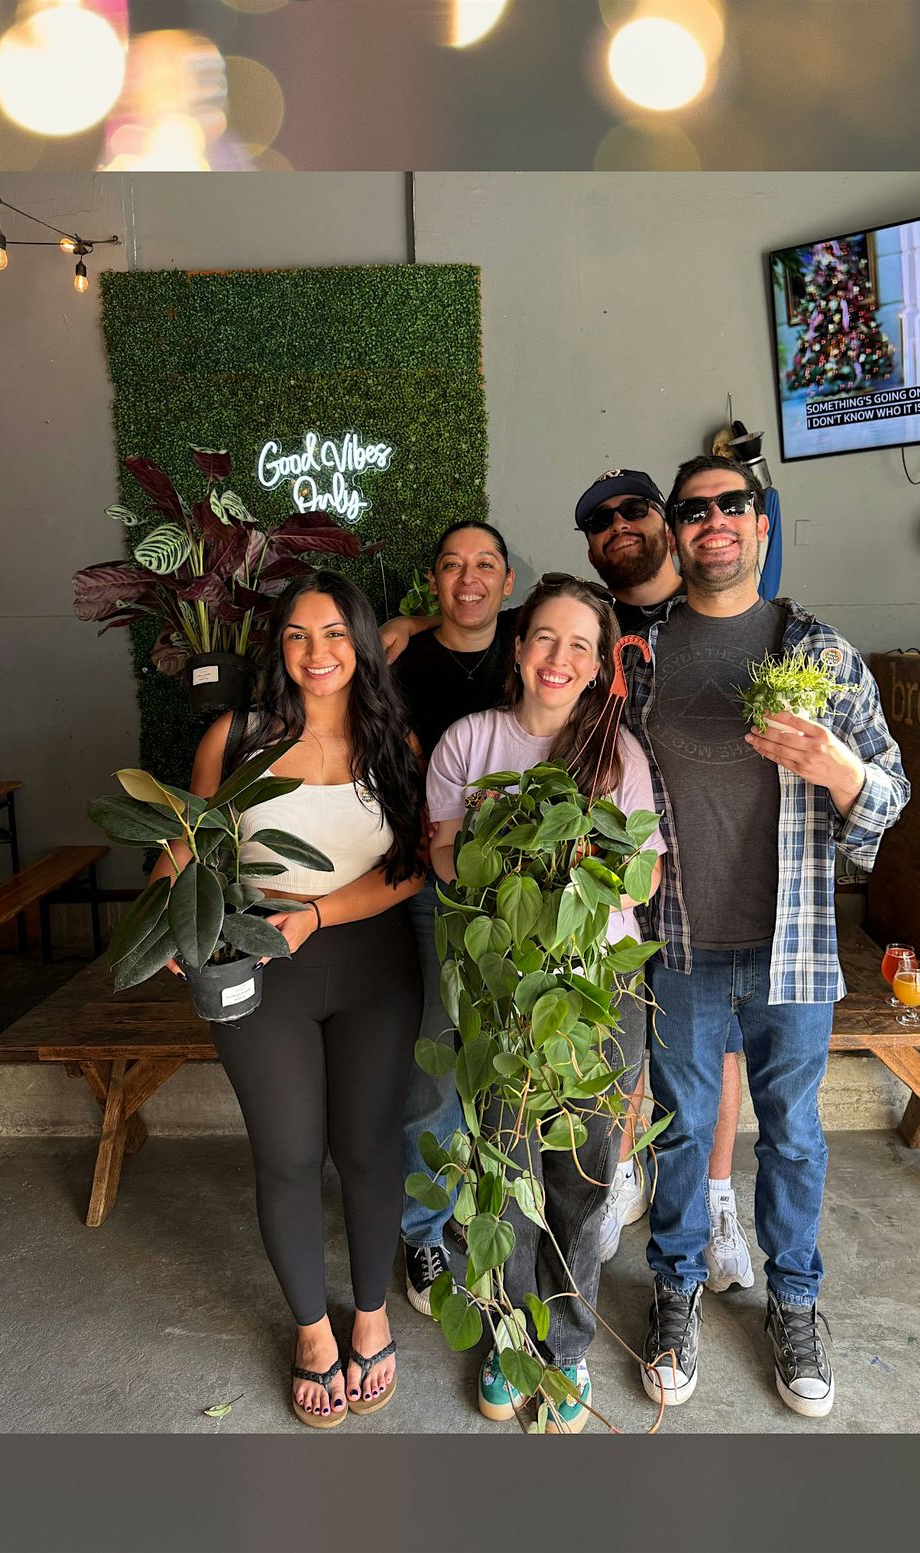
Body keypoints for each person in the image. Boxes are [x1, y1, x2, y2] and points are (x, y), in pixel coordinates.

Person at [604, 455, 908, 1418]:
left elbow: (891, 793)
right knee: (685, 1130)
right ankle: (677, 1289)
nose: (714, 522)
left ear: (761, 525)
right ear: (675, 534)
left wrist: (841, 770)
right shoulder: (639, 653)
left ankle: (796, 1300)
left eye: (733, 504)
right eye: (694, 511)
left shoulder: (818, 651)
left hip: (795, 945)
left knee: (796, 1135)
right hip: (678, 940)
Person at [153, 571, 425, 1428]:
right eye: (300, 635)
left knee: (372, 1150)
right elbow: (187, 845)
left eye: (336, 633)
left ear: (364, 643)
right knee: (287, 1156)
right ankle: (313, 1331)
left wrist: (317, 914)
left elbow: (410, 865)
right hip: (259, 969)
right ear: (279, 646)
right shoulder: (237, 739)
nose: (318, 652)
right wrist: (168, 912)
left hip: (373, 964)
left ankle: (372, 1315)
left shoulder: (394, 743)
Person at [427, 575, 664, 1432]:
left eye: (580, 645)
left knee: (586, 1175)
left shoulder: (618, 755)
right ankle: (506, 1337)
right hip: (498, 996)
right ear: (518, 647)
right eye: (544, 638)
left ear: (600, 665)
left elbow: (646, 872)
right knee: (508, 1168)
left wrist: (574, 868)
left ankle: (563, 1347)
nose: (558, 658)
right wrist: (513, 861)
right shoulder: (467, 742)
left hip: (598, 990)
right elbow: (447, 855)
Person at [575, 469, 752, 1290]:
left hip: (711, 867)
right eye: (600, 520)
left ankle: (717, 1194)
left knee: (715, 1042)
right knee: (622, 1026)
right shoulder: (587, 619)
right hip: (615, 863)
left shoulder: (721, 609)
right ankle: (620, 1171)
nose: (620, 526)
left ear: (669, 525)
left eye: (635, 510)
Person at [387, 521, 516, 1316]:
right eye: (451, 565)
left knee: (508, 1062)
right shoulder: (400, 659)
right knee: (435, 1067)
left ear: (508, 581)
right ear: (432, 581)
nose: (468, 578)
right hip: (430, 885)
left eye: (485, 565)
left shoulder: (536, 648)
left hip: (520, 890)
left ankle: (503, 1222)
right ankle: (424, 1229)